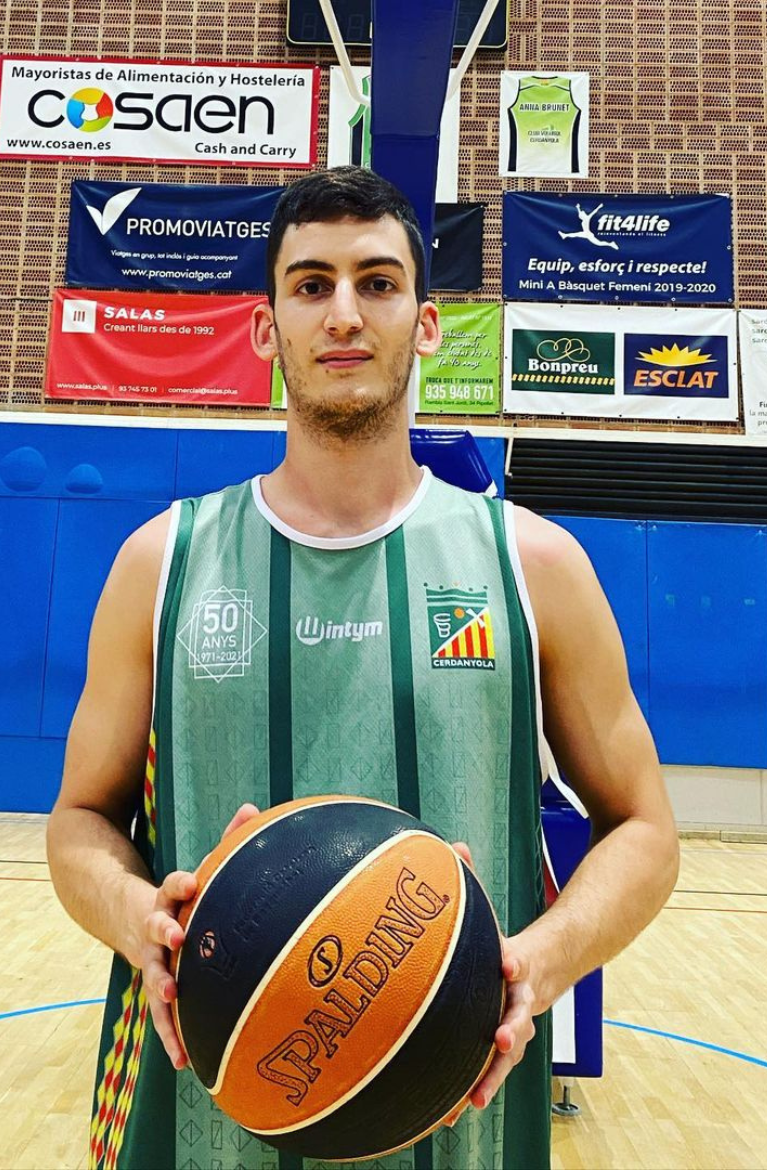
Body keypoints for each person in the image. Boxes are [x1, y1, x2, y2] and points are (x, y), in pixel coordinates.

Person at [47, 166, 679, 1170]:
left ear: (425, 325)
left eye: (376, 283)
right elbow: (79, 823)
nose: (343, 313)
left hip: (457, 1114)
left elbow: (643, 828)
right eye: (309, 285)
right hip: (209, 1112)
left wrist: (537, 962)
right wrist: (133, 915)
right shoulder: (157, 563)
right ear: (265, 330)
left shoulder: (533, 565)